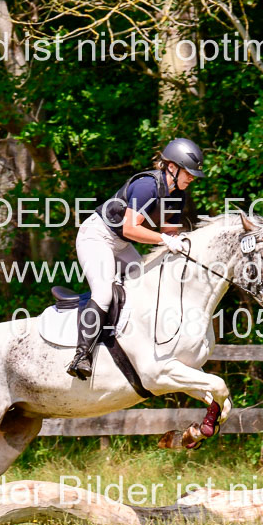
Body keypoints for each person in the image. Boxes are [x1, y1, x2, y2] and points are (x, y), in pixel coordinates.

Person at [67, 137, 205, 380]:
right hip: (97, 236)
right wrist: (165, 240)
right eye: (188, 173)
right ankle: (81, 355)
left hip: (121, 244)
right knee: (104, 292)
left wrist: (181, 243)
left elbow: (169, 232)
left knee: (145, 286)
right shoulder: (146, 186)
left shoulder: (178, 195)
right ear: (172, 167)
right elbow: (130, 228)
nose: (192, 178)